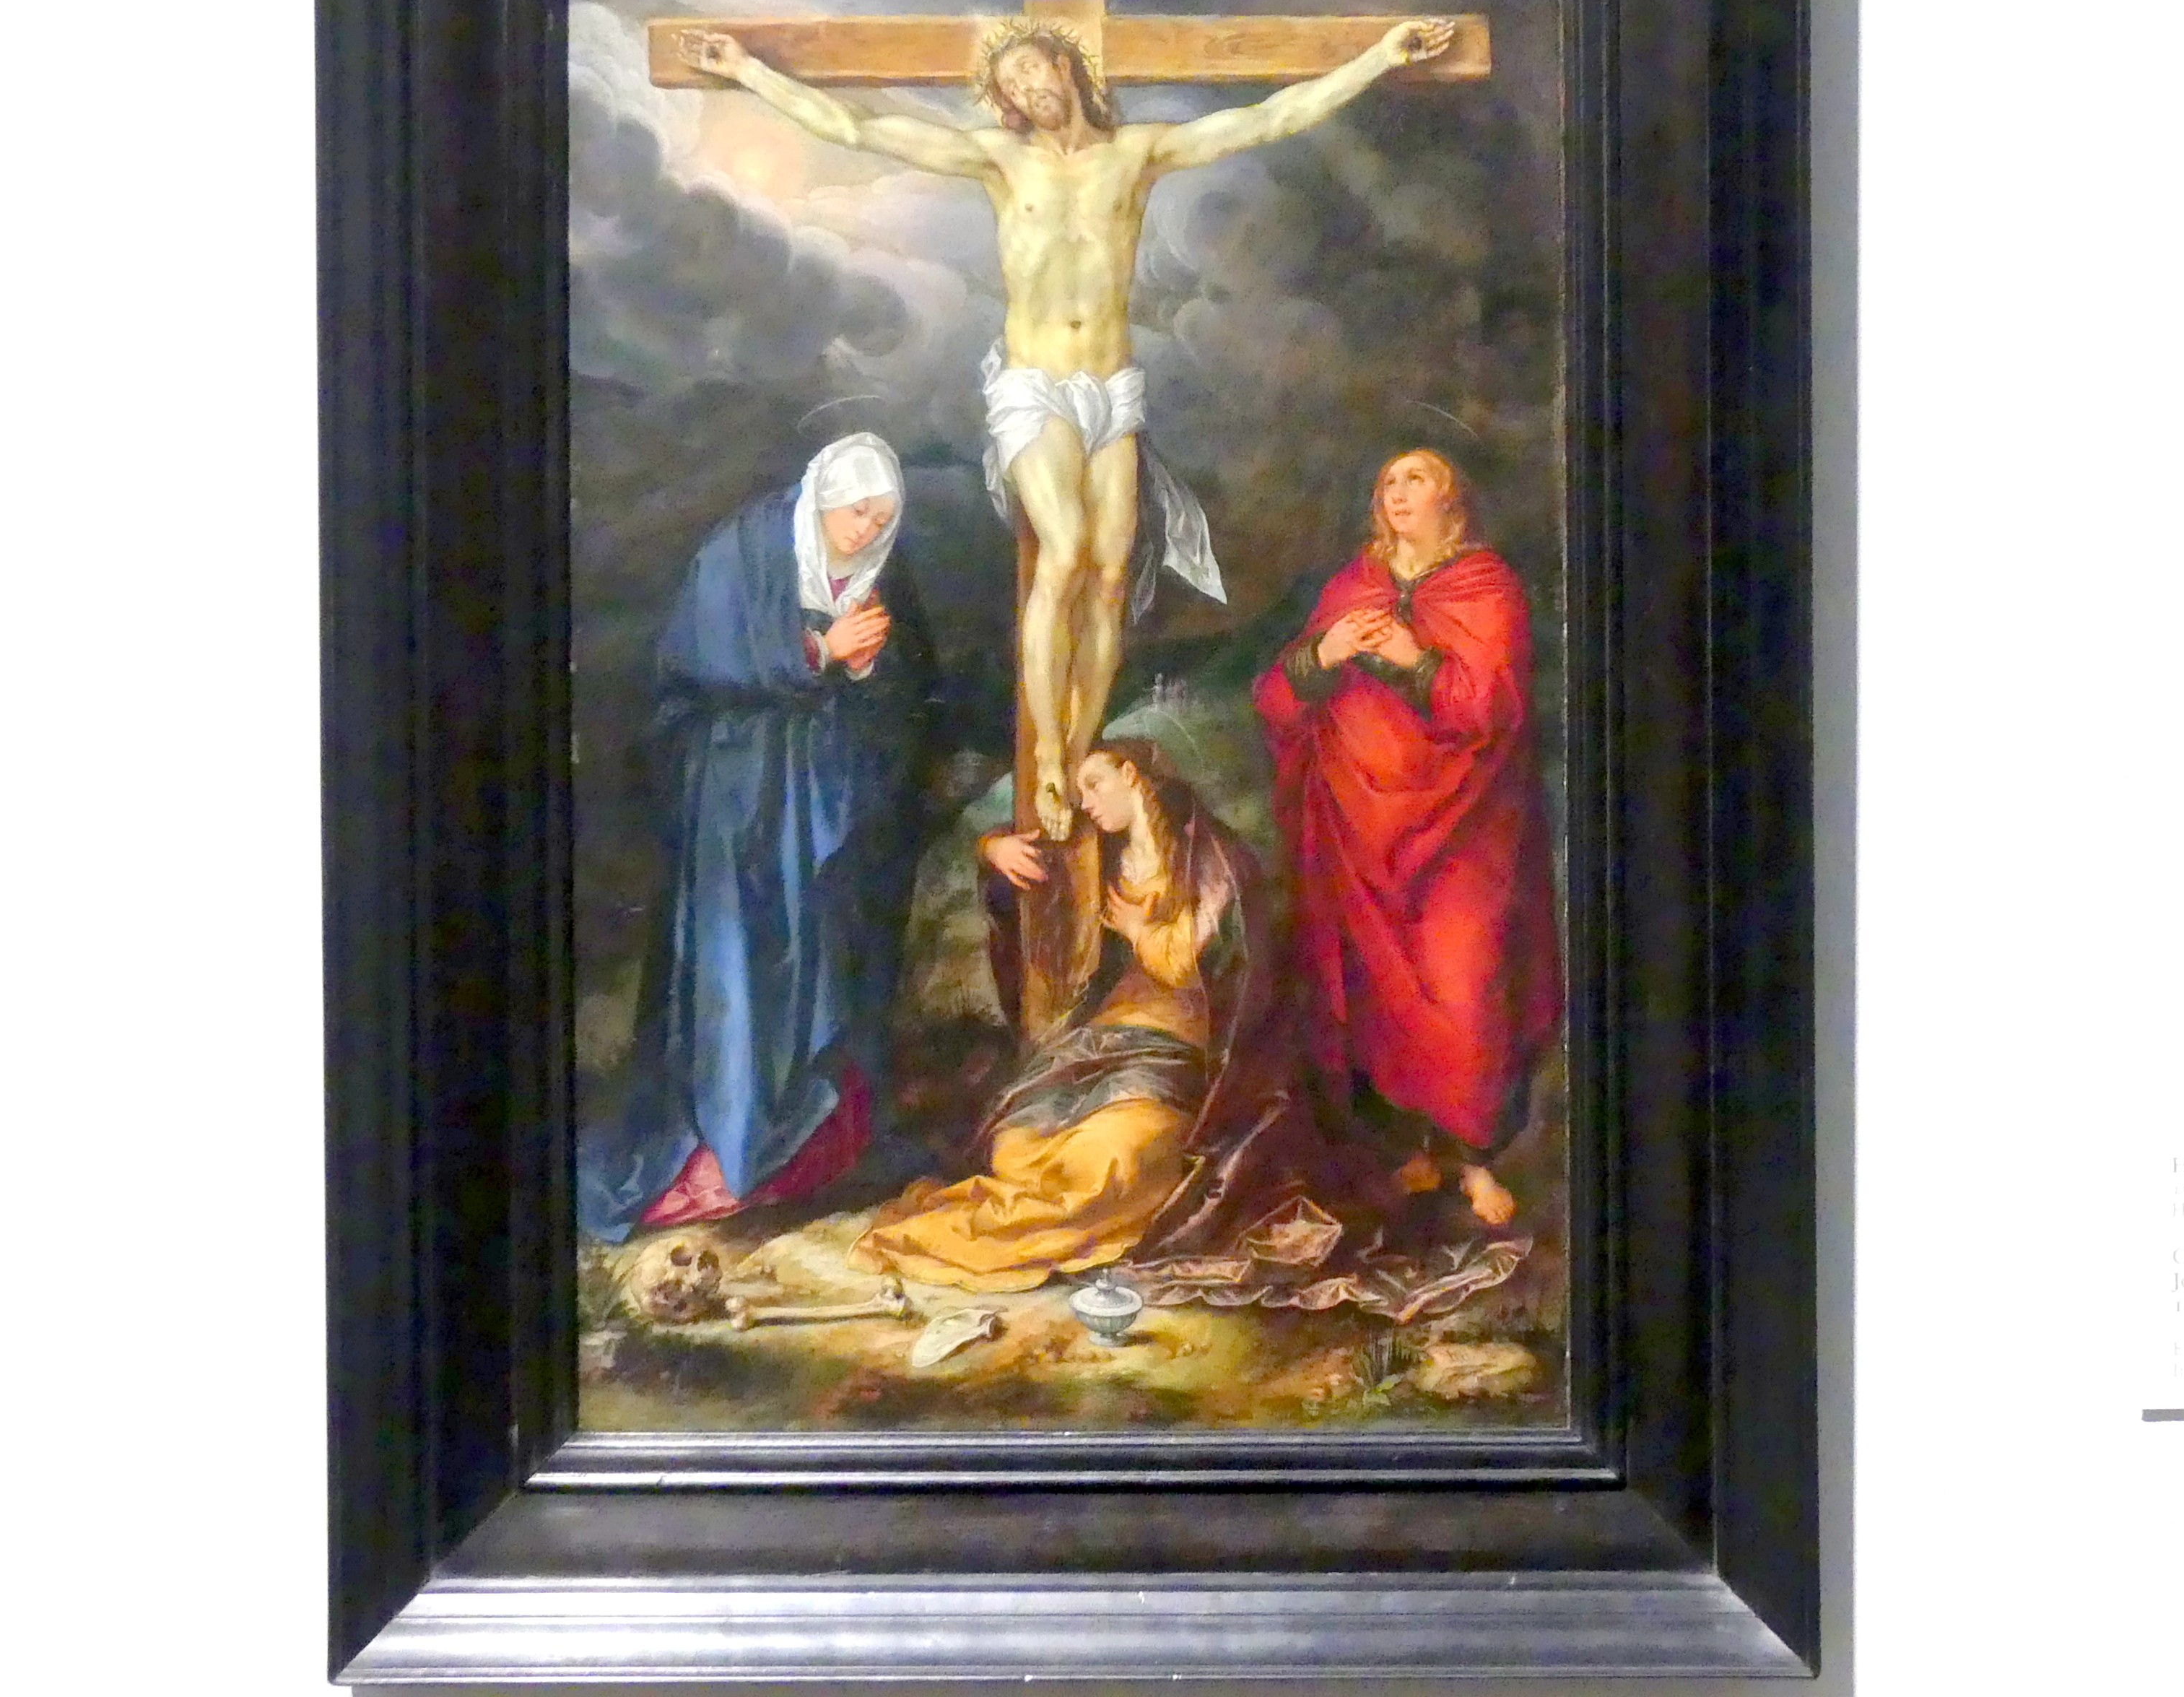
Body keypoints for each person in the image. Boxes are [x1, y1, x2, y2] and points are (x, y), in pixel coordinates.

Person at [671, 14, 1456, 838]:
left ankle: (1079, 742)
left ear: (1065, 64)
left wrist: (1378, 57)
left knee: (1112, 574)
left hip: (1111, 387)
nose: (1026, 88)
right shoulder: (1000, 160)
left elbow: (1270, 118)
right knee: (1065, 551)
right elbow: (856, 126)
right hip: (1035, 387)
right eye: (1009, 83)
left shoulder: (1137, 154)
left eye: (1033, 68)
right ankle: (1045, 753)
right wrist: (748, 70)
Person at [576, 434, 933, 1241]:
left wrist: (868, 671)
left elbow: (907, 701)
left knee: (812, 966)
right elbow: (697, 659)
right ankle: (722, 1145)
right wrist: (818, 652)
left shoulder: (881, 579)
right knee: (738, 970)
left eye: (881, 518)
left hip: (823, 818)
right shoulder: (743, 551)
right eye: (855, 512)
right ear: (822, 499)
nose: (866, 530)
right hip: (735, 808)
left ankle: (789, 1150)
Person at [1251, 448, 1562, 1228]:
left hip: (1462, 833)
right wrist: (1324, 654)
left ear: (1453, 500)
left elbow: (1492, 710)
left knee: (1465, 988)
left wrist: (1409, 657)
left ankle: (1474, 1159)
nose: (1396, 491)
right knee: (1376, 998)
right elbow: (1276, 698)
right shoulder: (1352, 586)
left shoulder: (1485, 587)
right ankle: (1409, 1148)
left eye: (1415, 478)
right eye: (1387, 480)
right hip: (1360, 831)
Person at [846, 738, 1270, 1291]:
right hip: (1100, 1042)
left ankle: (1049, 1226)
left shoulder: (1211, 859)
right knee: (1014, 1149)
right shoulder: (1098, 853)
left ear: (1133, 776)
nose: (1085, 801)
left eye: (1095, 783)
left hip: (1178, 1050)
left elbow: (1200, 967)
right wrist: (993, 848)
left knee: (1112, 1163)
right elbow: (1030, 876)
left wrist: (1139, 931)